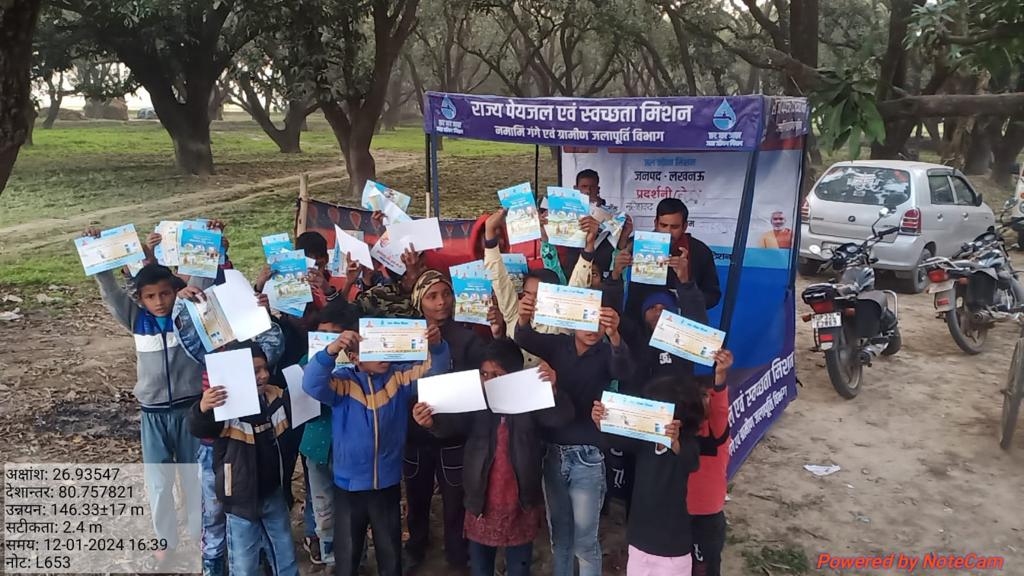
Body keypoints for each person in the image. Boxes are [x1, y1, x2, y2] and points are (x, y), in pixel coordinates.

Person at [412, 340, 573, 576]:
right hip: (481, 500)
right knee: (480, 566)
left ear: (514, 375)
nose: (488, 381)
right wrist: (430, 423)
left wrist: (554, 390)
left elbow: (560, 418)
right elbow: (450, 425)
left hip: (520, 500)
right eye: (484, 374)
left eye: (497, 375)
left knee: (519, 567)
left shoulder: (530, 400)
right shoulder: (474, 402)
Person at [302, 321, 450, 576]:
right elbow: (311, 383)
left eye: (385, 346)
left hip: (387, 484)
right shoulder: (343, 383)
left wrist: (436, 346)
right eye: (374, 348)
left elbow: (435, 371)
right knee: (348, 554)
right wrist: (331, 350)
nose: (383, 354)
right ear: (355, 358)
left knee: (390, 551)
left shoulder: (398, 377)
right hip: (349, 486)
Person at [85, 241, 203, 558]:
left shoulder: (189, 316)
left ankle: (201, 534)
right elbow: (110, 292)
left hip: (191, 411)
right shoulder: (136, 319)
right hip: (152, 414)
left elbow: (201, 279)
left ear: (176, 291)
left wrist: (210, 240)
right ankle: (165, 541)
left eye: (165, 294)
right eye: (150, 296)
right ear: (140, 298)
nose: (159, 302)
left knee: (195, 476)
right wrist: (96, 250)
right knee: (159, 483)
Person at [513, 290, 633, 576]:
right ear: (571, 318)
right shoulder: (558, 345)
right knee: (561, 538)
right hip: (552, 453)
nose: (592, 328)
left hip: (588, 456)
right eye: (585, 319)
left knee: (585, 544)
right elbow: (524, 337)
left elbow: (624, 370)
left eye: (599, 321)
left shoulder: (606, 353)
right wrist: (524, 316)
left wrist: (615, 336)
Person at [188, 342, 299, 576]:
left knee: (285, 556)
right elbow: (199, 427)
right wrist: (204, 407)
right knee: (244, 565)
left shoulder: (275, 397)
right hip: (239, 501)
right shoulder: (225, 407)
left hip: (273, 493)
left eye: (265, 368)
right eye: (255, 371)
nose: (264, 375)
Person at [404, 270, 487, 571]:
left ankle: (457, 554)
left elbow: (477, 383)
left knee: (455, 500)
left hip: (454, 436)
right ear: (419, 302)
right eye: (432, 296)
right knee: (417, 496)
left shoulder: (468, 339)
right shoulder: (406, 338)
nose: (441, 302)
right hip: (415, 435)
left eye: (446, 294)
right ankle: (416, 546)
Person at [590, 369, 708, 576]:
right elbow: (615, 440)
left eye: (655, 408)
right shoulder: (644, 441)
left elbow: (691, 462)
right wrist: (601, 422)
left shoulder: (687, 444)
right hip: (639, 542)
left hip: (671, 548)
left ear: (677, 416)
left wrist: (674, 442)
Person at [298, 301, 362, 567]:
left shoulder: (362, 368)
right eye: (322, 335)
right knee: (323, 507)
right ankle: (330, 560)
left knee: (353, 507)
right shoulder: (308, 362)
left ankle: (356, 559)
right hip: (317, 445)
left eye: (334, 336)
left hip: (350, 447)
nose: (329, 342)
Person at [625, 198, 720, 321]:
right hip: (639, 323)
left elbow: (713, 296)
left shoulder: (700, 251)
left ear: (684, 227)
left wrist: (683, 291)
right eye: (663, 225)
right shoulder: (637, 246)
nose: (668, 232)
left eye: (674, 227)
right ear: (655, 223)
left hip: (680, 323)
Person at [688, 350, 735, 576]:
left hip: (706, 520)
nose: (703, 402)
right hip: (676, 515)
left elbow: (720, 408)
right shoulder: (678, 433)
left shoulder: (717, 434)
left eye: (707, 397)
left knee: (704, 570)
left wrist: (720, 375)